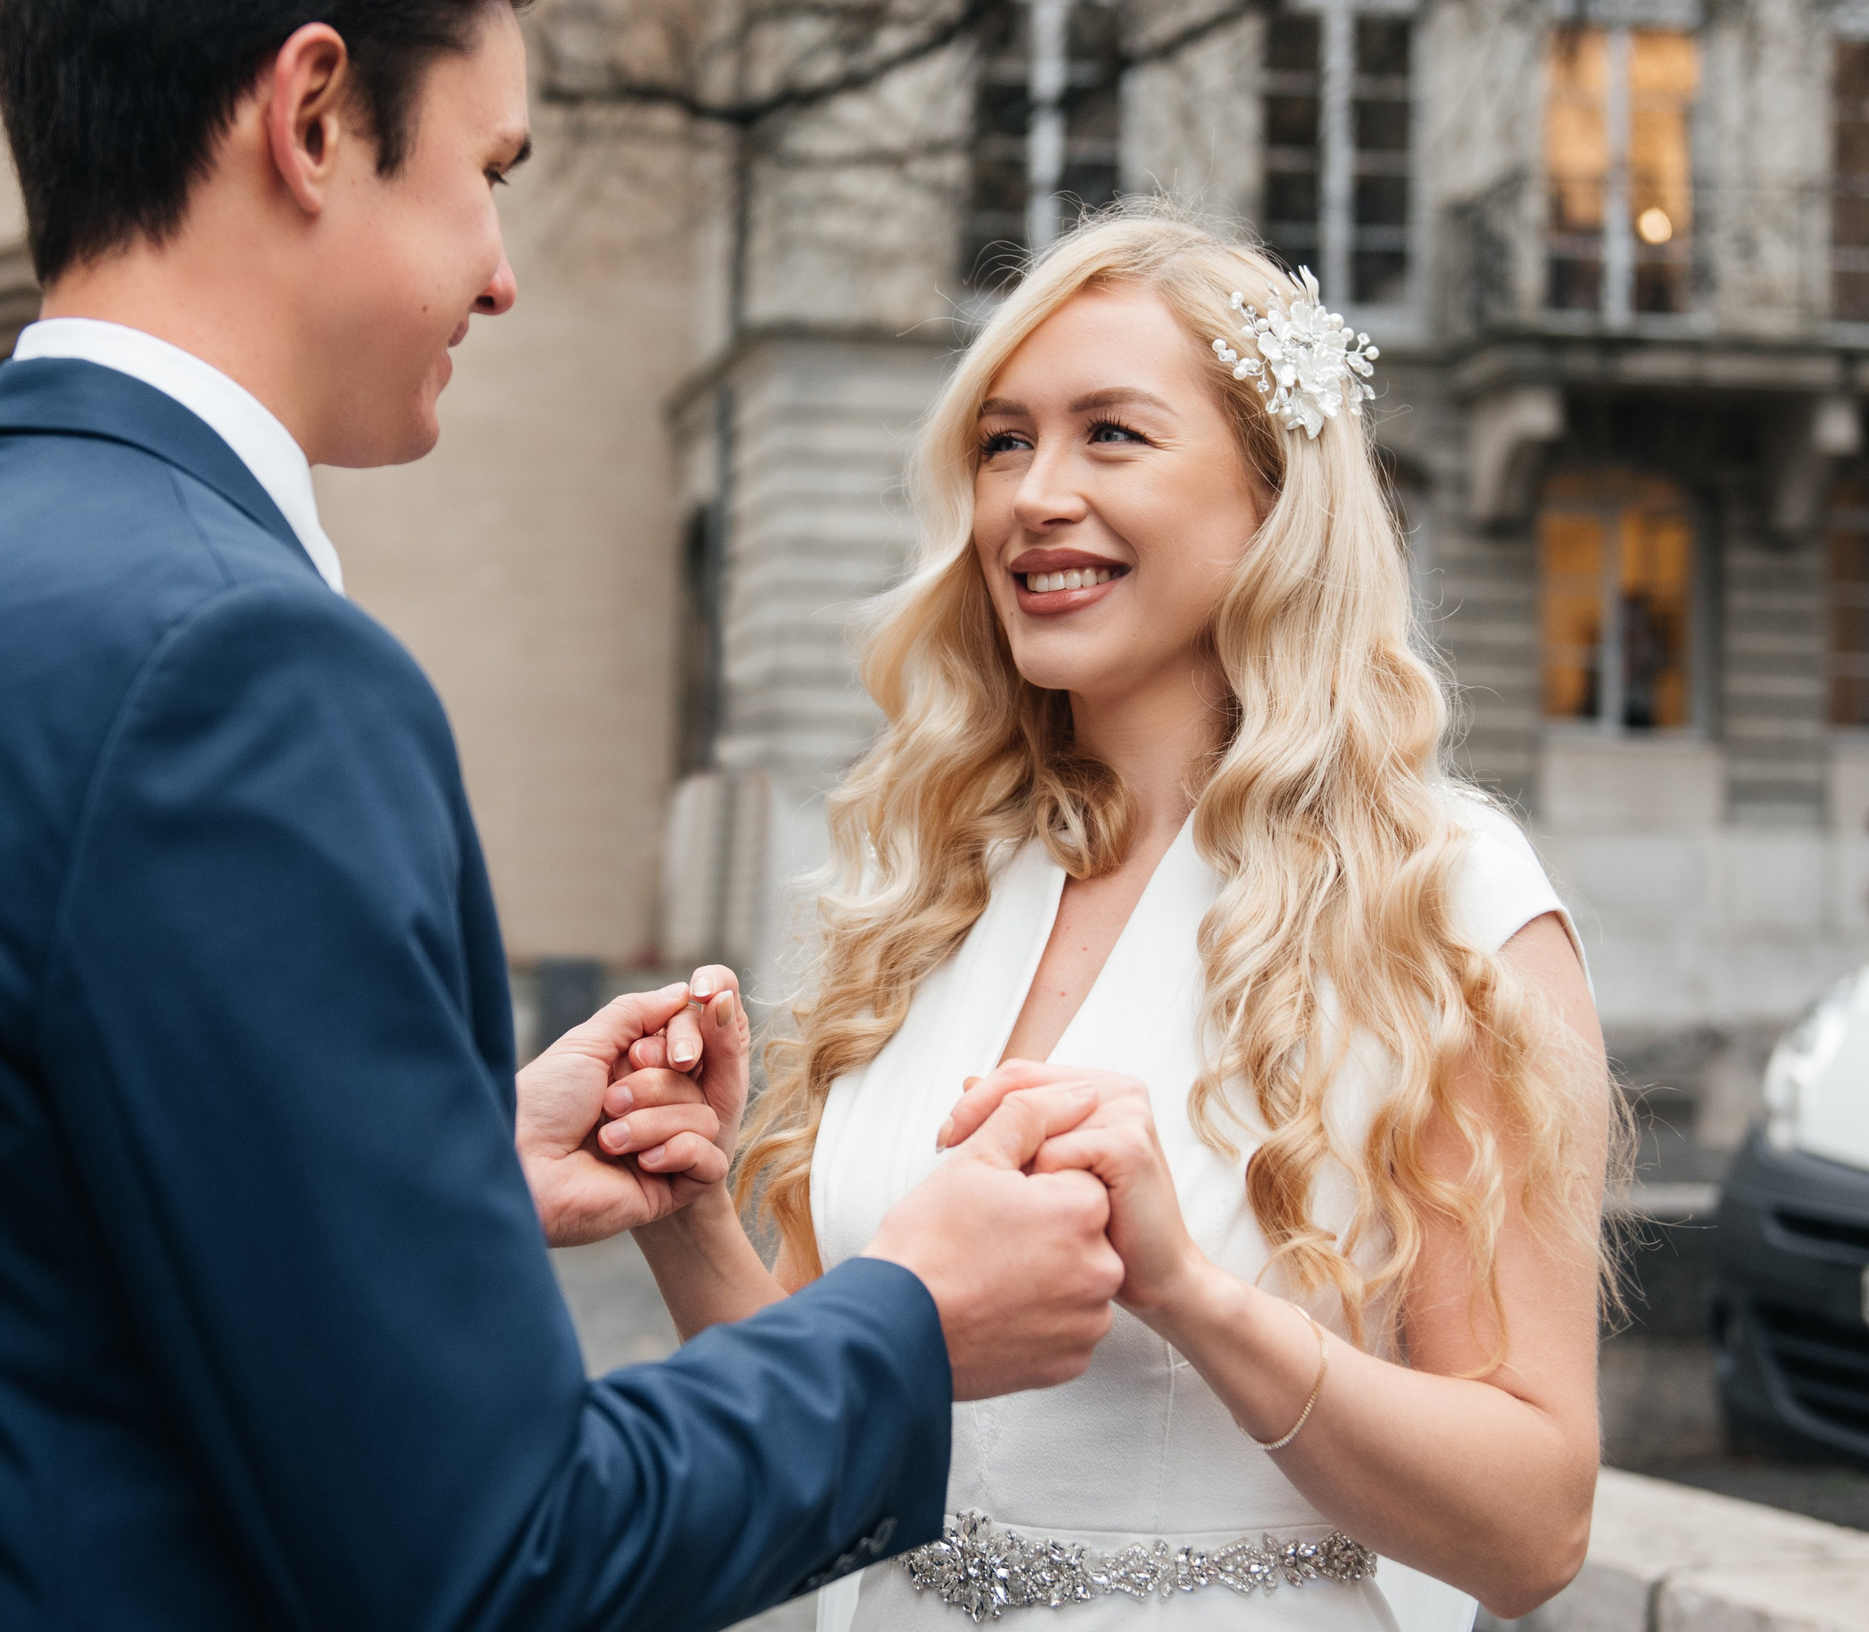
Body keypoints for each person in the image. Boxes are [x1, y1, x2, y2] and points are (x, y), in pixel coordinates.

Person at [0, 0, 1129, 1628]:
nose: (502, 273)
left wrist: (430, 1163)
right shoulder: (242, 671)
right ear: (312, 117)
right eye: (484, 171)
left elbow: (3, 1262)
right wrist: (913, 1326)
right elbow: (492, 1556)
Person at [611, 211, 1616, 1631]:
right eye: (1005, 440)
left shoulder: (1445, 897)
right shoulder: (937, 876)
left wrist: (1194, 1294)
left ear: (1272, 495)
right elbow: (825, 1422)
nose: (1033, 494)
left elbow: (1536, 1525)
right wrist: (686, 1208)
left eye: (1113, 436)